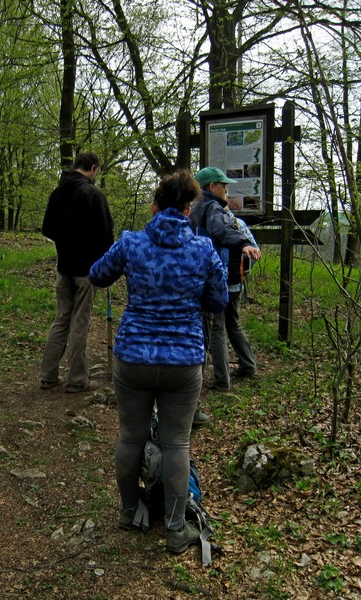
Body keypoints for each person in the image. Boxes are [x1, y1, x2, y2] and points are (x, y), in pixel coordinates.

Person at [89, 169, 228, 555]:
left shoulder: (132, 242)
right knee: (176, 443)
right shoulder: (202, 249)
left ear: (156, 205)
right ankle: (174, 528)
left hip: (133, 355)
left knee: (131, 436)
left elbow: (98, 275)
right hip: (183, 360)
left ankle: (129, 511)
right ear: (188, 208)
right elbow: (218, 301)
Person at [39, 151, 114, 393]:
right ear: (92, 168)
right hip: (86, 269)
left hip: (64, 266)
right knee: (79, 322)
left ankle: (48, 375)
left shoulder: (58, 192)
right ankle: (77, 379)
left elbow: (48, 228)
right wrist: (102, 262)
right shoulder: (93, 194)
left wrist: (66, 241)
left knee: (62, 319)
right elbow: (106, 235)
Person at [191, 167, 262, 395]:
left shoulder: (202, 212)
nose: (227, 190)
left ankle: (222, 381)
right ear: (212, 187)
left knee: (218, 328)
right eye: (224, 186)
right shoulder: (221, 214)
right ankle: (248, 365)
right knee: (232, 323)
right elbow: (241, 242)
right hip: (232, 282)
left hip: (217, 283)